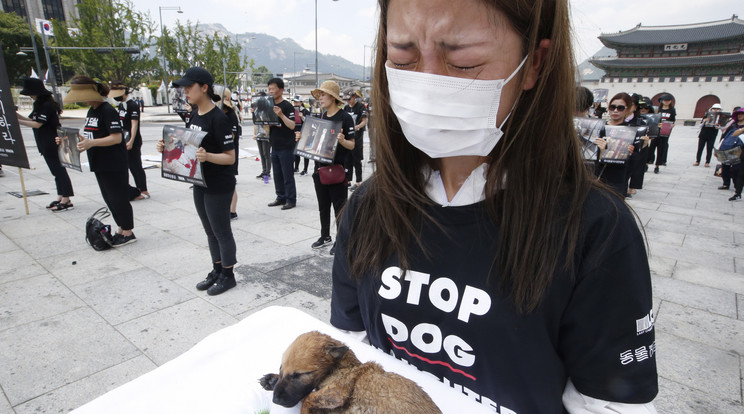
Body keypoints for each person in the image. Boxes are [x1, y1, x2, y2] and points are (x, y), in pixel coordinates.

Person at [330, 1, 657, 412]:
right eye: (403, 57)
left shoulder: (595, 229)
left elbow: (607, 403)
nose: (428, 83)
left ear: (534, 63)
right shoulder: (368, 207)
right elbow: (348, 351)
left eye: (463, 62)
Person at [157, 67, 238, 295]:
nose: (185, 92)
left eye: (189, 87)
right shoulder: (194, 114)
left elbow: (230, 157)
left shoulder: (219, 118)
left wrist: (209, 156)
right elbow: (188, 144)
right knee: (209, 231)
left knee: (221, 231)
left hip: (219, 184)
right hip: (200, 181)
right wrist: (167, 147)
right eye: (184, 88)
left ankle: (228, 275)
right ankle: (217, 269)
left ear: (204, 88)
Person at [65, 75, 136, 246]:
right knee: (109, 197)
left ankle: (128, 231)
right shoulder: (92, 111)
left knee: (118, 197)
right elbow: (92, 134)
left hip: (113, 162)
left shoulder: (107, 110)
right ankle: (121, 227)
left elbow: (116, 138)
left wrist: (92, 142)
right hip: (99, 162)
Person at [301, 81, 355, 254]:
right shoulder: (321, 117)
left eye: (323, 95)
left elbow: (352, 145)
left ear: (332, 97)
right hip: (320, 170)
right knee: (322, 206)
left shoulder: (345, 117)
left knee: (339, 208)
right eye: (319, 95)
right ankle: (325, 236)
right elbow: (315, 143)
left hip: (338, 170)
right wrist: (302, 140)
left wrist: (342, 141)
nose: (320, 98)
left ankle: (341, 240)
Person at [15, 77, 74, 212]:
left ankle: (67, 198)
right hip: (43, 140)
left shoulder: (47, 105)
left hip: (51, 140)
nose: (30, 96)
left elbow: (38, 124)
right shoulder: (40, 105)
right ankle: (61, 195)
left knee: (59, 170)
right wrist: (16, 116)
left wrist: (19, 122)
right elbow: (32, 119)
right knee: (55, 171)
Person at [109, 81, 149, 200]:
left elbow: (134, 124)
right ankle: (135, 189)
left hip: (133, 140)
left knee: (136, 165)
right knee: (129, 166)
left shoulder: (132, 105)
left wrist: (131, 140)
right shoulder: (122, 105)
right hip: (123, 138)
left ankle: (143, 189)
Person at [595, 93, 636, 197]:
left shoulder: (631, 131)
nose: (615, 111)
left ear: (627, 109)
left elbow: (635, 162)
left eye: (620, 108)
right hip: (597, 175)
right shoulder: (599, 127)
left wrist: (635, 150)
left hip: (618, 177)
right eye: (612, 107)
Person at [266, 78, 297, 210]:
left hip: (287, 146)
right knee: (277, 174)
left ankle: (291, 199)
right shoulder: (269, 105)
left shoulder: (287, 106)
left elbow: (292, 125)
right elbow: (266, 124)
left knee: (287, 175)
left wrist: (281, 114)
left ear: (281, 90)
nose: (270, 91)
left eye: (273, 88)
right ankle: (280, 197)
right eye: (269, 89)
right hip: (275, 145)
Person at [220, 88, 241, 220]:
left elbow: (231, 136)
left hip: (229, 153)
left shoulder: (231, 115)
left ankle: (232, 211)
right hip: (220, 154)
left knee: (230, 184)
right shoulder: (219, 115)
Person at [342, 88, 368, 191]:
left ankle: (358, 182)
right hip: (348, 136)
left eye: (349, 99)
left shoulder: (360, 107)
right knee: (347, 159)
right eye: (346, 99)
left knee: (357, 160)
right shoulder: (345, 108)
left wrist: (357, 127)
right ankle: (348, 180)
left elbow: (364, 121)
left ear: (354, 97)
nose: (348, 101)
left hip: (357, 137)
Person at [648, 94, 676, 173]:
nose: (666, 102)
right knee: (652, 147)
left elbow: (673, 120)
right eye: (664, 100)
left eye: (668, 100)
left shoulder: (672, 110)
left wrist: (671, 125)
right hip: (656, 130)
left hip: (665, 131)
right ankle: (648, 162)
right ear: (661, 101)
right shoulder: (658, 109)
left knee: (661, 149)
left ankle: (657, 165)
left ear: (670, 101)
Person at [723, 108, 744, 201]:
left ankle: (737, 192)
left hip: (742, 151)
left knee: (739, 172)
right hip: (732, 149)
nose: (740, 115)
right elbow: (731, 135)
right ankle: (734, 189)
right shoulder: (734, 125)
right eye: (738, 114)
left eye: (742, 114)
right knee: (730, 169)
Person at [251, 92, 272, 179]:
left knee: (266, 153)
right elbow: (255, 122)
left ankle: (267, 172)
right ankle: (264, 171)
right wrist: (254, 134)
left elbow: (271, 122)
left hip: (266, 134)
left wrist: (269, 135)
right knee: (261, 154)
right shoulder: (257, 110)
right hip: (259, 133)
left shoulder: (268, 109)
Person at [696, 103, 722, 167]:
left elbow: (721, 127)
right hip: (703, 134)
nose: (715, 110)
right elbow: (700, 125)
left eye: (717, 109)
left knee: (709, 148)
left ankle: (707, 162)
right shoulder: (707, 115)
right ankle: (697, 161)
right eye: (714, 108)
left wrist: (717, 125)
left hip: (712, 135)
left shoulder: (720, 117)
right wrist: (704, 121)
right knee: (700, 148)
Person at [292, 96, 311, 175]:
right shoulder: (293, 111)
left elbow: (310, 122)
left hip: (304, 133)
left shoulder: (306, 111)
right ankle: (296, 168)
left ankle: (305, 169)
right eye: (294, 102)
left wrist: (302, 117)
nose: (295, 103)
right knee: (295, 151)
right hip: (295, 132)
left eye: (297, 102)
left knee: (304, 152)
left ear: (301, 102)